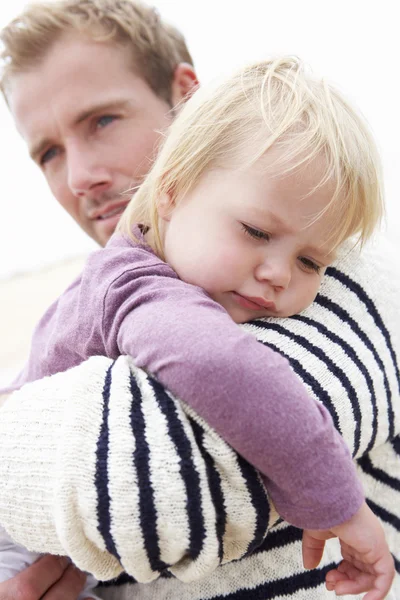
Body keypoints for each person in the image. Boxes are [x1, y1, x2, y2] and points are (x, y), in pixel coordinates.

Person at [0, 1, 398, 599]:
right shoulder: (135, 284)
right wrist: (332, 497)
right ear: (172, 192)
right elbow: (221, 366)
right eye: (48, 152)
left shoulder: (344, 281)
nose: (276, 275)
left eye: (102, 120)